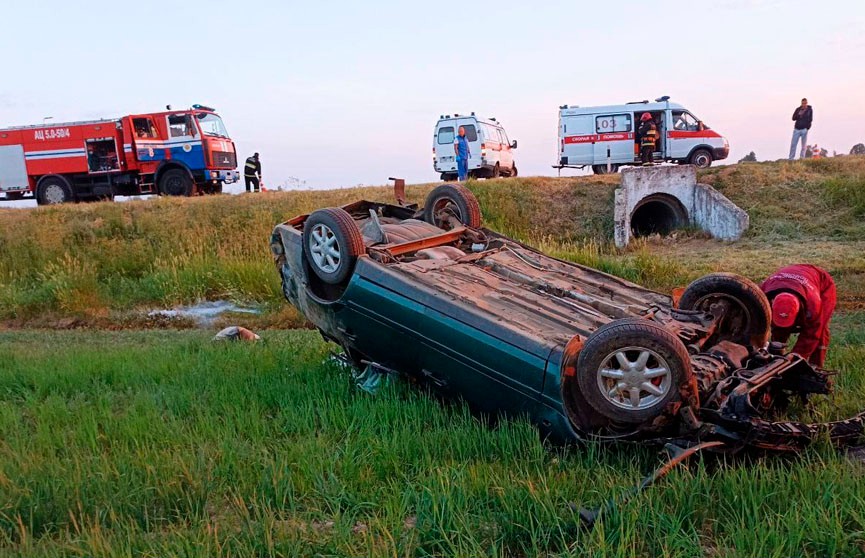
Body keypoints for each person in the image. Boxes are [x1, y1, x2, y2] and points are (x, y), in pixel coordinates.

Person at [761, 264, 836, 367]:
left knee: (820, 330)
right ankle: (776, 359)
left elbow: (812, 334)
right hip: (788, 280)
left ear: (799, 309)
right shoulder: (763, 294)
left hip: (822, 284)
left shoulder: (813, 305)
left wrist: (797, 354)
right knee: (779, 330)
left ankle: (816, 368)